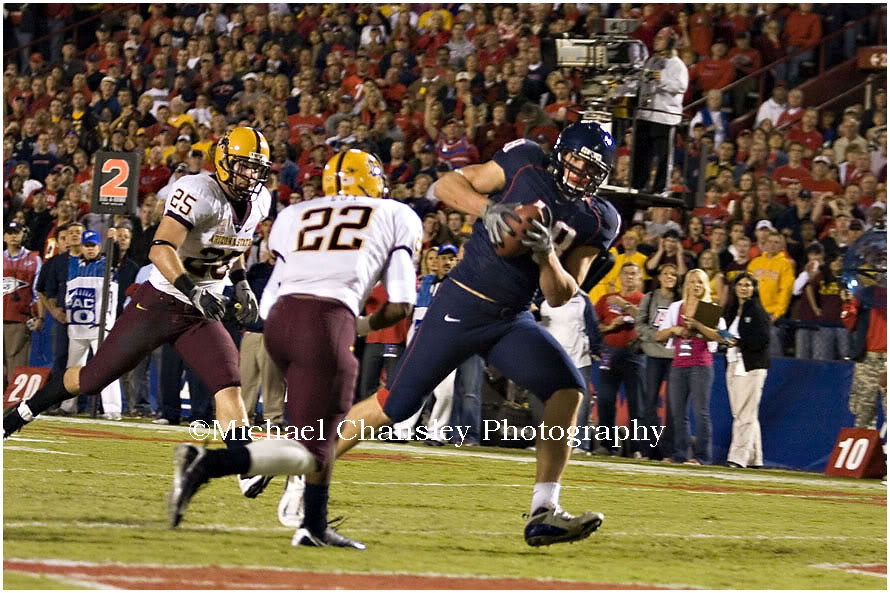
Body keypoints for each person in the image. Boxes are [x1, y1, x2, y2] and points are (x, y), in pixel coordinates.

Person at [297, 121, 620, 547]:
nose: (580, 173)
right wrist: (488, 209)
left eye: (591, 169)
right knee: (394, 404)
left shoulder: (598, 219)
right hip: (463, 303)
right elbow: (447, 184)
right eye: (576, 161)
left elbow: (561, 295)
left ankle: (545, 510)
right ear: (561, 154)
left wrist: (545, 256)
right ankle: (306, 472)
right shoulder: (525, 163)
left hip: (511, 318)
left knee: (567, 390)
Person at [168, 149, 422, 550]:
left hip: (281, 324)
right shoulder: (395, 213)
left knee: (314, 440)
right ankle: (209, 464)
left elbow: (270, 302)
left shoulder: (293, 215)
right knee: (319, 442)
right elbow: (402, 303)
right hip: (327, 320)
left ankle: (312, 526)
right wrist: (363, 324)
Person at [5, 127, 274, 498]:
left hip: (199, 311)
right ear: (224, 162)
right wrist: (193, 290)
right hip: (161, 303)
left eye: (256, 169)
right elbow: (160, 249)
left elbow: (235, 241)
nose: (251, 176)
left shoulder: (260, 201)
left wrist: (241, 281)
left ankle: (245, 465)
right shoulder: (199, 191)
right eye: (244, 167)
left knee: (228, 382)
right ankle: (21, 412)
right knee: (91, 379)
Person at [656, 268, 730, 465]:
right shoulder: (676, 307)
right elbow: (658, 335)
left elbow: (719, 336)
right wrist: (674, 329)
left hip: (701, 364)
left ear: (705, 285)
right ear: (686, 284)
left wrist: (697, 325)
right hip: (679, 364)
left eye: (700, 282)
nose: (696, 285)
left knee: (700, 411)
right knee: (677, 413)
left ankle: (702, 457)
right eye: (692, 281)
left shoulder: (709, 308)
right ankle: (681, 454)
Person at [58, 229, 123, 419]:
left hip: (100, 326)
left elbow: (116, 258)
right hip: (77, 327)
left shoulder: (107, 264)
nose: (90, 249)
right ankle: (68, 405)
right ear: (82, 247)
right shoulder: (73, 265)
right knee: (72, 367)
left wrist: (114, 241)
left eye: (93, 245)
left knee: (107, 366)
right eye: (87, 246)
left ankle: (112, 409)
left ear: (99, 246)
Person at [594, 262, 646, 457]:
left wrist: (625, 305)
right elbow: (594, 325)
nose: (629, 277)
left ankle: (637, 448)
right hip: (609, 352)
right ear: (619, 277)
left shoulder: (644, 300)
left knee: (636, 403)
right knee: (606, 400)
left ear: (640, 279)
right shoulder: (606, 299)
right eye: (625, 273)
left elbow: (647, 320)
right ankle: (607, 445)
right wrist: (609, 327)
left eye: (633, 274)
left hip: (635, 354)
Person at [723, 273, 771, 468]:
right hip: (735, 363)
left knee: (744, 414)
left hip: (750, 366)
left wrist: (737, 342)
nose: (744, 288)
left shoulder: (757, 310)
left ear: (754, 288)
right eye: (740, 284)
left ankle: (738, 458)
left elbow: (763, 340)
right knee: (745, 413)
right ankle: (754, 457)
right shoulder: (734, 310)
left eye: (748, 285)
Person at [633, 27, 689, 194]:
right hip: (646, 113)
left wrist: (661, 78)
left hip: (664, 116)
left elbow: (680, 86)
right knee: (641, 152)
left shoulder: (678, 65)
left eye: (660, 38)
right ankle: (638, 185)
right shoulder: (651, 61)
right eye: (656, 38)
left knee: (663, 156)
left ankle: (660, 188)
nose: (656, 41)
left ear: (670, 42)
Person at [634, 263, 679, 460]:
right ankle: (647, 449)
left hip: (673, 356)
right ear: (659, 277)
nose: (670, 277)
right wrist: (656, 336)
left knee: (673, 405)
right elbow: (640, 324)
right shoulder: (649, 297)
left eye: (673, 274)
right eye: (666, 273)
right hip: (652, 355)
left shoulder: (680, 300)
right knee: (649, 404)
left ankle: (669, 451)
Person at [3, 221, 42, 385]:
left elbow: (38, 292)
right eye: (10, 232)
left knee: (16, 362)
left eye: (16, 232)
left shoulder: (34, 259)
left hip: (19, 318)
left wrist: (39, 317)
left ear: (22, 235)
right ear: (4, 236)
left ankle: (14, 404)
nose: (13, 236)